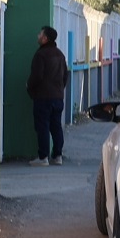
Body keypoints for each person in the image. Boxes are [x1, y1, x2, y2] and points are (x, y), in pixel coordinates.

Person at [27, 25, 68, 165]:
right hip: (58, 97)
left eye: (40, 34)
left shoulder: (40, 55)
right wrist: (59, 89)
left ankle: (43, 157)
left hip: (43, 97)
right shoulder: (60, 55)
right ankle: (58, 156)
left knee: (42, 126)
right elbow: (65, 77)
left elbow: (37, 76)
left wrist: (29, 87)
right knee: (56, 126)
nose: (38, 36)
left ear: (45, 38)